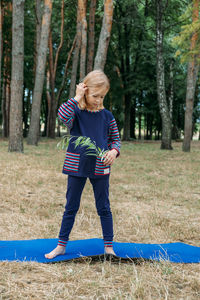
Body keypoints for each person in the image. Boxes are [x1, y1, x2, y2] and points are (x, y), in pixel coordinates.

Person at [45, 70, 121, 259]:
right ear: (85, 90)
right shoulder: (76, 112)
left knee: (104, 207)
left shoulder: (107, 116)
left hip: (100, 165)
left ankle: (109, 247)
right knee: (71, 206)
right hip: (76, 165)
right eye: (95, 95)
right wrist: (77, 97)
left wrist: (113, 151)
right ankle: (61, 245)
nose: (98, 100)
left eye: (102, 96)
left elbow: (115, 140)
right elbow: (62, 117)